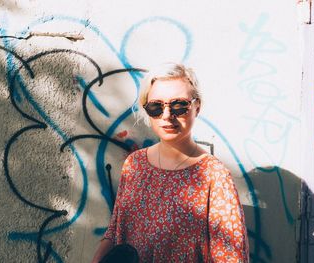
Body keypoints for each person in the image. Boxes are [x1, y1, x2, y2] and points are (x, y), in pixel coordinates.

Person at [91, 63, 249, 262]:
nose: (167, 116)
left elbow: (230, 256)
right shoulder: (135, 164)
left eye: (179, 106)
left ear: (196, 107)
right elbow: (116, 231)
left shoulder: (214, 175)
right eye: (156, 107)